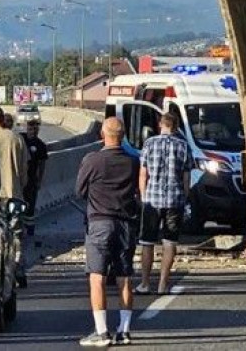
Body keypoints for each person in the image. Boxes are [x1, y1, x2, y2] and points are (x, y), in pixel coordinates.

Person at [75, 117, 141, 347]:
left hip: (100, 223)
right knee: (124, 277)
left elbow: (79, 190)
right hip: (126, 224)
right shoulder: (133, 161)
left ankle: (102, 332)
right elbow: (138, 192)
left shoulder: (93, 160)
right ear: (122, 136)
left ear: (103, 134)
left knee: (97, 277)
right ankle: (124, 331)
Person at [136, 111, 192, 295]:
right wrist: (184, 198)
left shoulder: (149, 144)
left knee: (147, 242)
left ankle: (144, 283)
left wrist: (144, 196)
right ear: (176, 126)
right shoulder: (183, 146)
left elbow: (143, 174)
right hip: (174, 200)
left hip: (152, 199)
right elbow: (186, 178)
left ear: (161, 124)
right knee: (169, 242)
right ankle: (162, 284)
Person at [21, 119, 49, 235]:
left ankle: (30, 230)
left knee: (30, 206)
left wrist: (39, 180)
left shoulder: (41, 145)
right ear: (27, 128)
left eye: (35, 129)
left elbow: (42, 165)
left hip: (31, 179)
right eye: (30, 129)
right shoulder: (21, 139)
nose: (32, 131)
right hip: (20, 178)